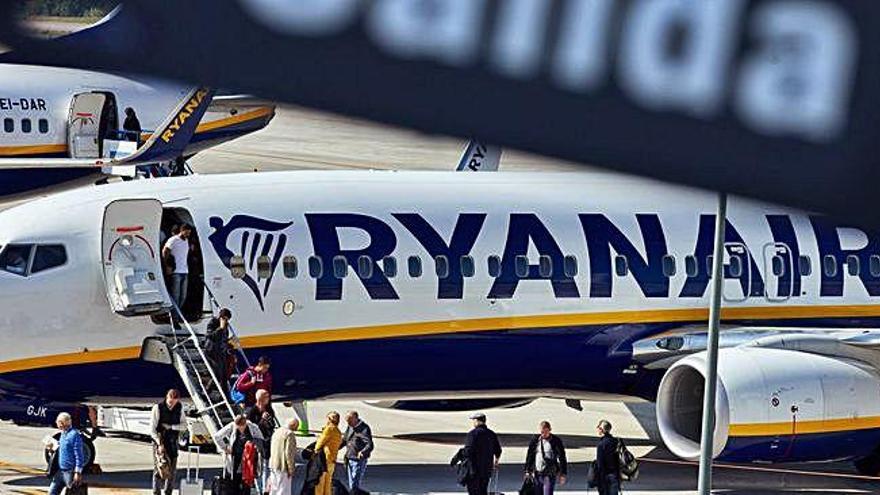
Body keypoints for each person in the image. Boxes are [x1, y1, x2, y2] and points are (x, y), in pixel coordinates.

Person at [216, 414, 265, 494]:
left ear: (246, 423)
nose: (240, 429)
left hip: (248, 460)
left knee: (247, 481)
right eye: (238, 427)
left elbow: (260, 439)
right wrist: (225, 448)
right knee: (234, 481)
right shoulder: (232, 426)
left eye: (242, 427)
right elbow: (217, 436)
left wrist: (253, 444)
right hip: (235, 458)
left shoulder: (252, 427)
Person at [150, 389, 185, 495]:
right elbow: (152, 430)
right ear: (167, 397)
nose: (172, 404)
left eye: (174, 402)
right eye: (170, 401)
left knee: (172, 471)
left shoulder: (180, 408)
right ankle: (156, 492)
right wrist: (159, 444)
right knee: (159, 468)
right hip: (160, 441)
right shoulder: (158, 408)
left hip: (173, 442)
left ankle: (168, 492)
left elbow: (184, 425)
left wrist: (171, 427)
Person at [524, 421, 567, 495]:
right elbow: (530, 456)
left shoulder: (556, 441)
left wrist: (563, 473)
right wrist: (527, 470)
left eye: (546, 432)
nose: (543, 434)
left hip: (550, 474)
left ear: (550, 430)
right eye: (542, 432)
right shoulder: (536, 440)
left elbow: (562, 457)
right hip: (538, 473)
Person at [246, 389, 276, 493]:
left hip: (267, 442)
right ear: (261, 399)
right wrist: (262, 420)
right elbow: (250, 429)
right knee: (258, 468)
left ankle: (265, 490)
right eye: (266, 397)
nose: (269, 399)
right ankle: (260, 489)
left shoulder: (269, 409)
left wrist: (268, 420)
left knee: (266, 467)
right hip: (257, 444)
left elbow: (272, 426)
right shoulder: (252, 411)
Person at [47, 412, 85, 495]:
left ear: (62, 423)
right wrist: (51, 450)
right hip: (60, 471)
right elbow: (61, 450)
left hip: (70, 473)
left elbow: (79, 455)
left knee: (73, 493)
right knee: (52, 492)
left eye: (57, 422)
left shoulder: (74, 435)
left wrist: (77, 473)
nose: (56, 424)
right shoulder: (63, 434)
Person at [464, 413, 502, 495]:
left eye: (474, 421)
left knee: (473, 492)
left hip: (473, 470)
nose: (473, 423)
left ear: (477, 421)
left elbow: (468, 451)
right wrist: (496, 461)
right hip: (486, 470)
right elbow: (498, 450)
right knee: (483, 491)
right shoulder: (491, 434)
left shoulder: (473, 434)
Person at [162, 223, 193, 313]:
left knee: (183, 296)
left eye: (189, 233)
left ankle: (177, 314)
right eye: (186, 233)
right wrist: (167, 265)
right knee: (176, 296)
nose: (187, 235)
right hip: (176, 272)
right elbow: (165, 251)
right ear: (181, 231)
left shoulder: (186, 241)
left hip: (185, 271)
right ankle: (175, 317)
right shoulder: (173, 240)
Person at [343, 410, 374, 493]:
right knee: (351, 483)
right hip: (349, 458)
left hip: (358, 460)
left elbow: (370, 444)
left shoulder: (364, 429)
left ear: (355, 419)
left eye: (350, 420)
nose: (348, 423)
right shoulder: (350, 427)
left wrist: (363, 452)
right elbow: (345, 439)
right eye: (347, 421)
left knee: (354, 484)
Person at [314, 411, 343, 495]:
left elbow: (320, 442)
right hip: (332, 459)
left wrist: (315, 450)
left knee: (320, 482)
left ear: (330, 419)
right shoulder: (338, 431)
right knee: (328, 483)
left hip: (325, 459)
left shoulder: (329, 429)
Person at [268, 418, 298, 495]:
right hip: (283, 466)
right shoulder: (289, 434)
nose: (297, 429)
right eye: (296, 426)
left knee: (274, 489)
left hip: (273, 464)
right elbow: (289, 453)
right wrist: (291, 469)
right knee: (283, 490)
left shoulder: (277, 431)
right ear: (293, 425)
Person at [205, 308, 232, 383]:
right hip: (212, 351)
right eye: (225, 319)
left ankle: (223, 391)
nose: (226, 321)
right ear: (221, 317)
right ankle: (208, 389)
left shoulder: (225, 325)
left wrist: (229, 340)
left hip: (221, 351)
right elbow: (210, 336)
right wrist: (220, 328)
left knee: (224, 374)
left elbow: (224, 338)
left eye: (227, 320)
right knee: (217, 373)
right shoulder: (213, 322)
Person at [595, 419, 621, 495]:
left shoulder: (601, 444)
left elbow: (600, 464)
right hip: (615, 474)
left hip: (605, 476)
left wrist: (599, 480)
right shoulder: (615, 441)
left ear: (601, 430)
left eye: (599, 427)